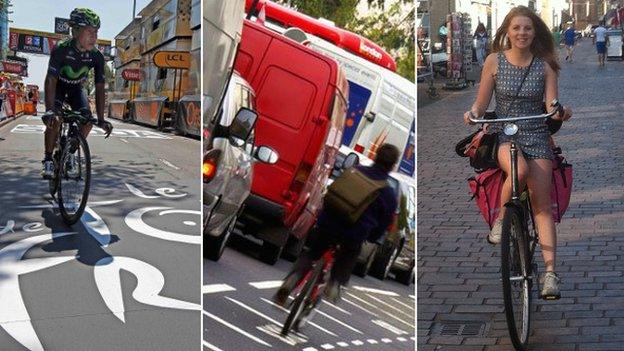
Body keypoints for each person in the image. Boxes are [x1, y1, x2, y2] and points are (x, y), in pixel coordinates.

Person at [462, 6, 572, 299]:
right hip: (505, 133)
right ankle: (501, 219)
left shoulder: (545, 65)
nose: (522, 33)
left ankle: (550, 274)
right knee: (518, 170)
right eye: (516, 28)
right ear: (507, 32)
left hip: (537, 133)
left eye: (527, 28)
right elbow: (481, 104)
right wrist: (472, 114)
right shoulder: (493, 62)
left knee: (541, 206)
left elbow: (551, 105)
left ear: (535, 32)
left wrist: (559, 112)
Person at [273, 144, 400, 305]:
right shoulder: (388, 194)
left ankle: (292, 278)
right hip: (354, 234)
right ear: (392, 166)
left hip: (329, 221)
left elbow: (333, 192)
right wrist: (373, 237)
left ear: (375, 156)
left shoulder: (354, 171)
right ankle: (335, 283)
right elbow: (384, 223)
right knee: (349, 255)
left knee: (313, 253)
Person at [41, 8, 112, 178]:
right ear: (75, 31)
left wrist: (101, 119)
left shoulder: (97, 56)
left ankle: (71, 153)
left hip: (76, 90)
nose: (94, 37)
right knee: (55, 120)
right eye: (89, 31)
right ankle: (48, 159)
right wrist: (50, 110)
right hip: (58, 88)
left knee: (87, 121)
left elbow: (100, 87)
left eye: (96, 32)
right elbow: (50, 80)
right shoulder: (61, 48)